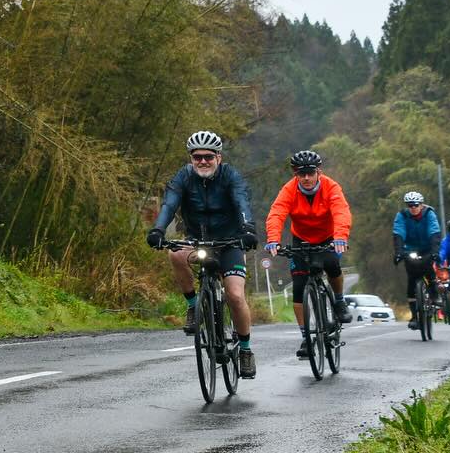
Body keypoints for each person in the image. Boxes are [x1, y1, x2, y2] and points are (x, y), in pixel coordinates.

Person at [145, 130, 258, 379]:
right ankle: (193, 306)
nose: (203, 161)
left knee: (236, 295)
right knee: (175, 255)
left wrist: (248, 228)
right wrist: (157, 230)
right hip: (197, 240)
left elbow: (242, 203)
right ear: (191, 158)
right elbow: (170, 204)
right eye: (198, 157)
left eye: (208, 156)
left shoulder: (231, 176)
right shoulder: (183, 177)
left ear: (218, 157)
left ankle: (246, 350)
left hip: (229, 242)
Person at [264, 150, 354, 359]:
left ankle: (339, 301)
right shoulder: (289, 189)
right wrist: (273, 240)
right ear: (296, 174)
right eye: (301, 173)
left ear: (318, 172)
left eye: (310, 173)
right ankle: (306, 337)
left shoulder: (331, 187)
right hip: (301, 240)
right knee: (298, 287)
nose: (306, 178)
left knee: (332, 264)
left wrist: (340, 236)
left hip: (329, 238)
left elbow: (341, 211)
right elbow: (277, 213)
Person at [393, 190, 442, 329]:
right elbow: (398, 233)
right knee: (412, 279)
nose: (413, 208)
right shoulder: (402, 215)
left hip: (427, 247)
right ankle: (414, 316)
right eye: (410, 205)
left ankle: (434, 295)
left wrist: (435, 251)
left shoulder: (429, 214)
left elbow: (434, 232)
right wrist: (398, 252)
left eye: (415, 205)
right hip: (410, 249)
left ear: (421, 205)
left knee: (429, 270)